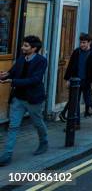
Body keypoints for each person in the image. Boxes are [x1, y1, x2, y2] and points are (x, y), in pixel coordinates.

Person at [0, 36, 48, 166]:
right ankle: (7, 155)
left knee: (38, 123)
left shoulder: (41, 61)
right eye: (23, 45)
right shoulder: (22, 58)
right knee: (13, 126)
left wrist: (13, 81)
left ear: (34, 48)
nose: (22, 47)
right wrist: (5, 75)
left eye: (26, 46)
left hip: (33, 99)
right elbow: (13, 72)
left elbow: (35, 79)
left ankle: (44, 142)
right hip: (18, 98)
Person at [60, 33, 92, 127]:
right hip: (76, 81)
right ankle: (76, 124)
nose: (81, 45)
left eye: (84, 43)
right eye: (81, 42)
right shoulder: (76, 52)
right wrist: (68, 79)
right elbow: (70, 66)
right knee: (75, 103)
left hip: (88, 81)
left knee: (88, 101)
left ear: (89, 42)